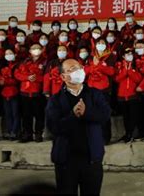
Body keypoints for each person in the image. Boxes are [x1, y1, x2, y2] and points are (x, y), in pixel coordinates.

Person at [46, 58, 111, 195]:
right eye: (71, 69)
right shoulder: (55, 99)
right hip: (66, 160)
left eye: (78, 67)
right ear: (63, 77)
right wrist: (73, 116)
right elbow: (54, 127)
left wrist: (86, 113)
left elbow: (105, 116)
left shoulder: (95, 94)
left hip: (91, 158)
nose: (77, 71)